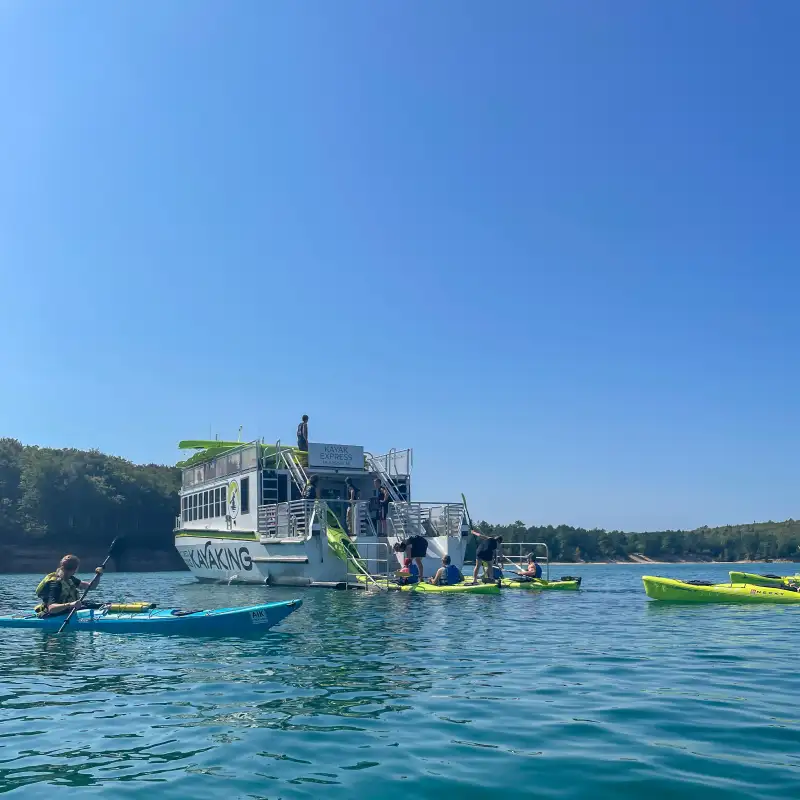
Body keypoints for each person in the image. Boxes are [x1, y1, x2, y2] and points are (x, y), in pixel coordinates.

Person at [34, 554, 103, 617]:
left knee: (97, 605)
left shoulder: (70, 578)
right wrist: (70, 604)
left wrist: (98, 575)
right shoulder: (55, 584)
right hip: (54, 614)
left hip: (68, 610)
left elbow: (91, 587)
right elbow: (51, 608)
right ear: (76, 569)